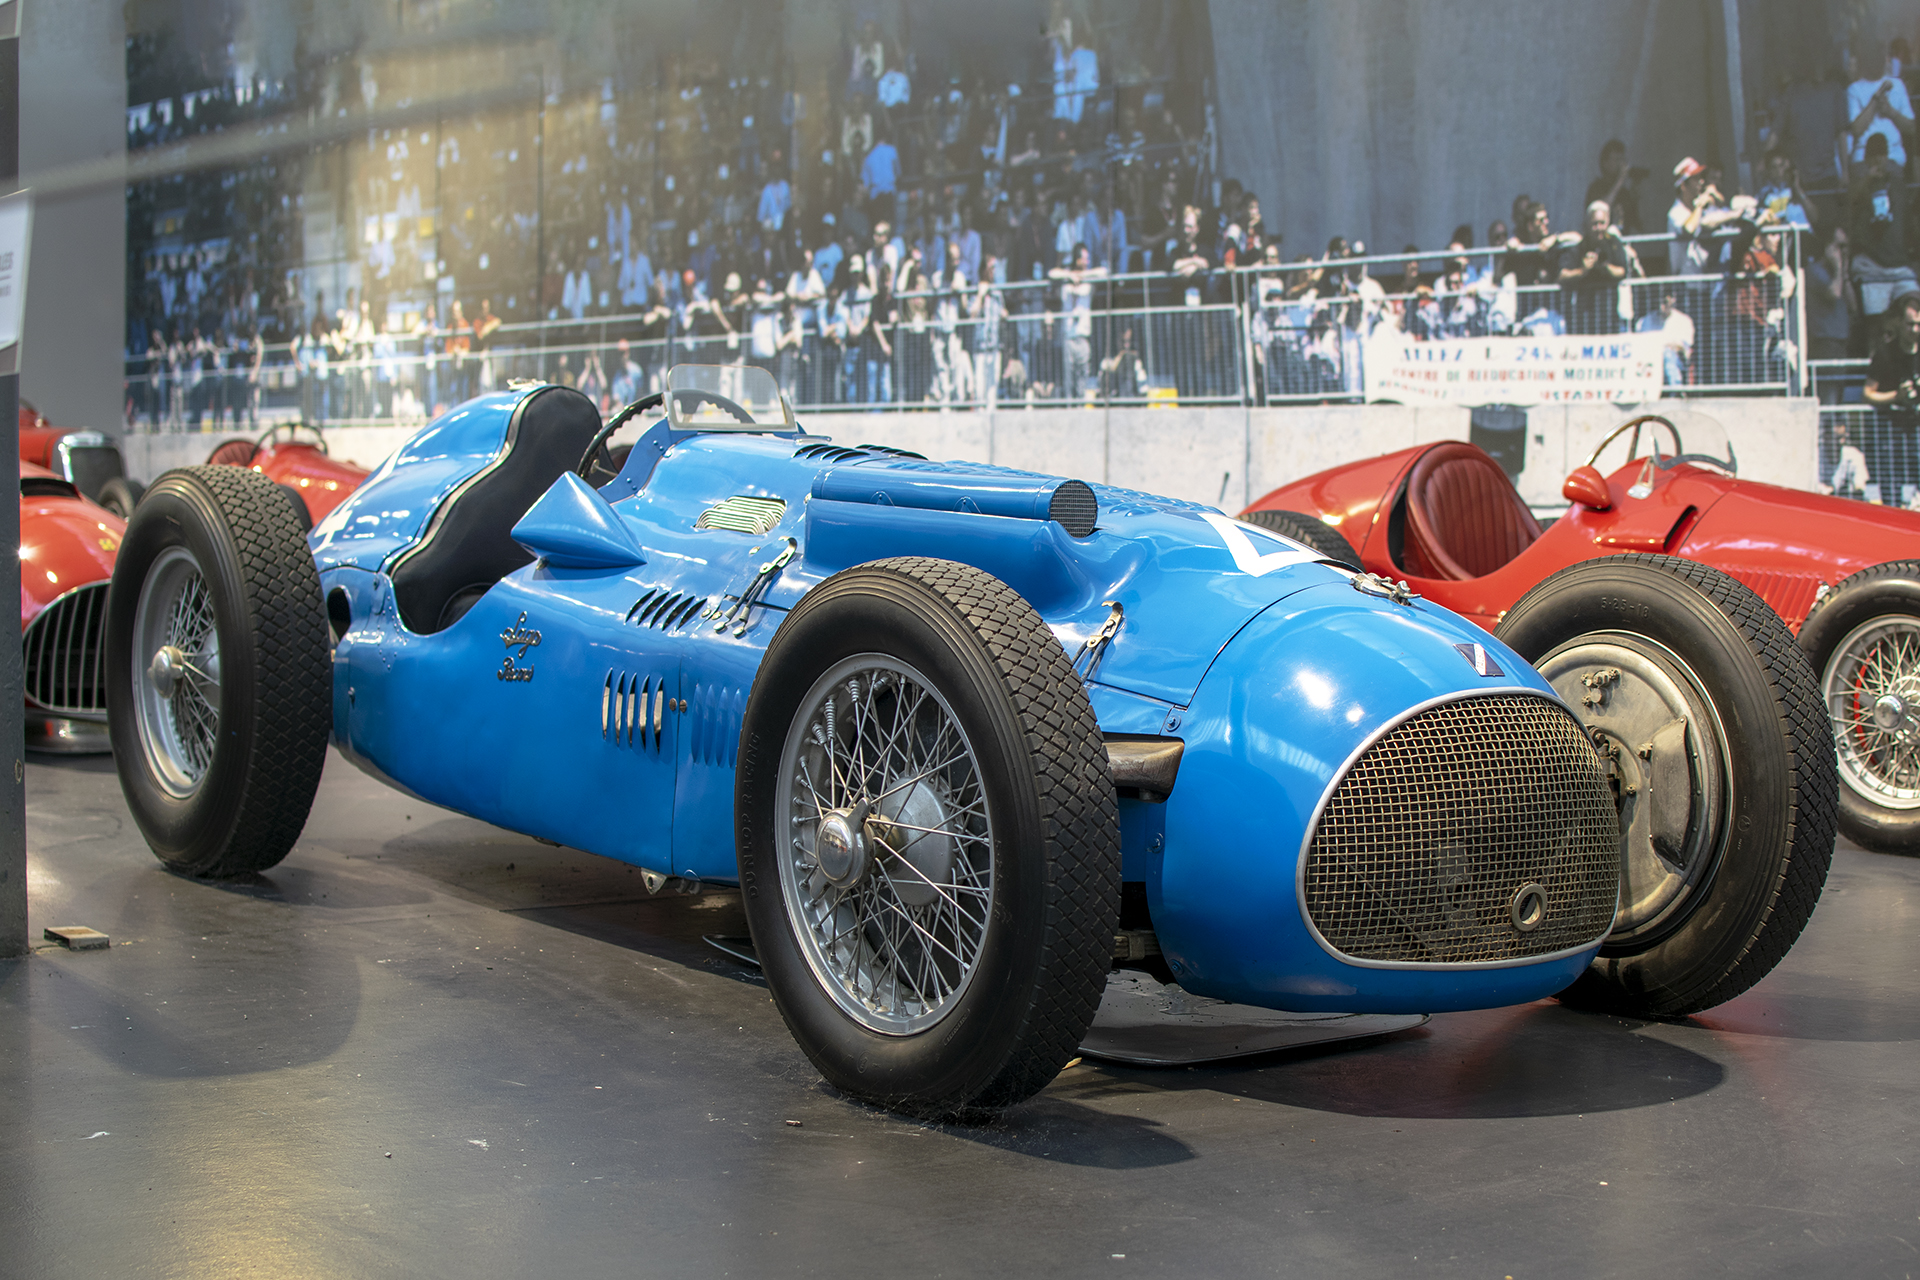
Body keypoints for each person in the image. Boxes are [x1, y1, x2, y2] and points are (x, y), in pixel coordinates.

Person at [1558, 200, 1628, 335]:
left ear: (1608, 223)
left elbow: (1622, 271)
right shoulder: (1580, 246)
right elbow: (1562, 275)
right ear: (1587, 225)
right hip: (1585, 315)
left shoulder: (1614, 243)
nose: (1598, 228)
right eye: (1594, 224)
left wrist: (1604, 267)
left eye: (1602, 223)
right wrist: (1582, 271)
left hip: (1609, 314)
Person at [1846, 39, 1915, 171]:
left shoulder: (1898, 85)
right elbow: (1856, 128)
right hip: (1863, 159)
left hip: (1893, 157)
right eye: (1873, 56)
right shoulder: (1854, 89)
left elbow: (1911, 127)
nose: (1877, 60)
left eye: (1880, 55)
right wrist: (1876, 100)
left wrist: (1890, 112)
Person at [1050, 241, 1106, 399]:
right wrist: (1070, 276)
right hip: (1068, 336)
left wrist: (1082, 276)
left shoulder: (1089, 281)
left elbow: (1103, 272)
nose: (1087, 262)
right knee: (1069, 381)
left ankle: (1081, 408)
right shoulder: (1066, 280)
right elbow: (1052, 273)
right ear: (1077, 260)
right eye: (1084, 259)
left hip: (1083, 336)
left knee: (1083, 379)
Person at [1585, 139, 1647, 236]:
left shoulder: (1624, 193)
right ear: (1605, 163)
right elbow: (1600, 208)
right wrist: (1621, 180)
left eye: (1622, 159)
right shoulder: (1596, 187)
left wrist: (1636, 195)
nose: (1621, 164)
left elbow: (1638, 224)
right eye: (1616, 160)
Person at [1635, 291, 1694, 387]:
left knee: (1668, 355)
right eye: (1659, 302)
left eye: (1665, 302)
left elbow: (1686, 350)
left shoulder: (1684, 320)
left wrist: (1670, 346)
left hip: (1675, 358)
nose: (1661, 307)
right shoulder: (1644, 321)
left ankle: (1675, 391)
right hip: (1651, 357)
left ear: (1673, 300)